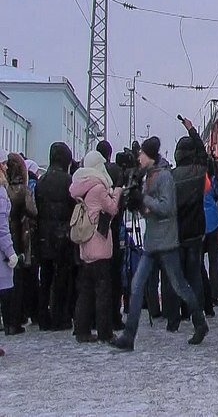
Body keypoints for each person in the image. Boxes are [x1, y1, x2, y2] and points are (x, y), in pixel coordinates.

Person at [110, 136, 208, 350]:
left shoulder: (163, 177)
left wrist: (143, 200)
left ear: (150, 156)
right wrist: (137, 204)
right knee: (137, 287)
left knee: (180, 286)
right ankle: (129, 336)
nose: (139, 157)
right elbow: (151, 211)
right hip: (152, 242)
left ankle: (200, 322)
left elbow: (167, 208)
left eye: (142, 153)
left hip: (166, 243)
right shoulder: (148, 176)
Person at [69, 151, 122, 342]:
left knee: (85, 292)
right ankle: (104, 332)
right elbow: (112, 209)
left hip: (85, 245)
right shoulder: (99, 188)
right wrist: (117, 192)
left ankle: (82, 330)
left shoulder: (80, 187)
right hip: (98, 244)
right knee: (103, 292)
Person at [162, 118, 207, 332]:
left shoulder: (169, 178)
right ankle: (194, 313)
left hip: (174, 235)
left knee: (173, 277)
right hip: (195, 234)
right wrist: (191, 130)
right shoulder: (199, 173)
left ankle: (173, 319)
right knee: (194, 275)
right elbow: (203, 153)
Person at [35, 142, 76, 331]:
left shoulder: (41, 181)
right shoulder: (68, 181)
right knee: (62, 278)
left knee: (46, 277)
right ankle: (60, 317)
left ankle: (43, 317)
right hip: (62, 235)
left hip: (43, 235)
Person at [5, 152, 37, 333]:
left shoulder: (4, 189)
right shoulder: (23, 190)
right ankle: (14, 321)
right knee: (17, 279)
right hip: (19, 236)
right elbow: (33, 211)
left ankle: (8, 319)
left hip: (6, 235)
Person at [97, 140, 125, 330]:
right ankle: (114, 316)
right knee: (114, 276)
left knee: (94, 276)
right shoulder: (116, 171)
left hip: (91, 231)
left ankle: (94, 316)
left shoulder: (88, 172)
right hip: (113, 229)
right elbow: (121, 200)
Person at [1, 149, 20, 348]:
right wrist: (10, 252)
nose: (6, 167)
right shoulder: (1, 191)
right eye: (3, 164)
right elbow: (2, 227)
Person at [201, 158, 218, 316]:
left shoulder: (197, 177)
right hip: (213, 221)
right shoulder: (213, 179)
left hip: (199, 222)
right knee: (214, 261)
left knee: (198, 261)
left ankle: (202, 291)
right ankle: (215, 294)